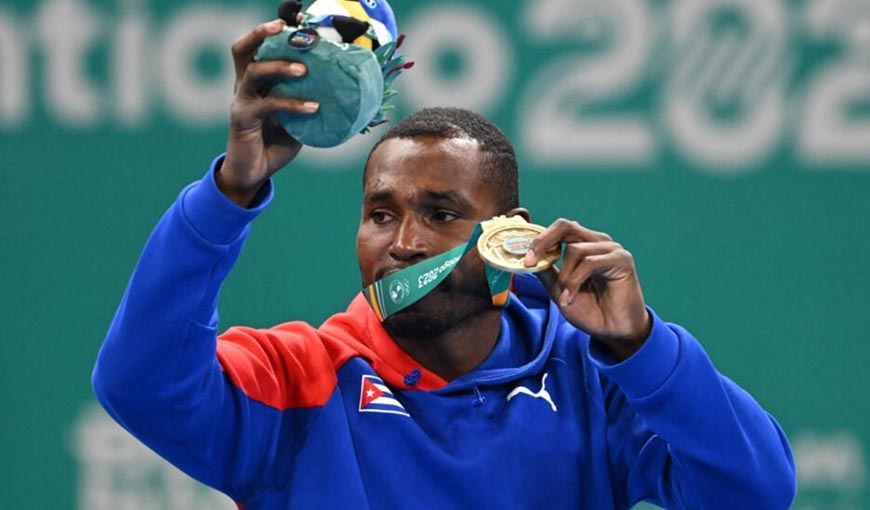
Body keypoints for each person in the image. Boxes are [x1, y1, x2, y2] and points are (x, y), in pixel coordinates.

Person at [92, 19, 796, 510]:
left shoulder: (594, 383)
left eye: (441, 213)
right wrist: (229, 193)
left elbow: (756, 492)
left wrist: (641, 347)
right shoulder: (299, 384)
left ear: (508, 241)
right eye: (380, 213)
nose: (403, 242)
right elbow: (138, 384)